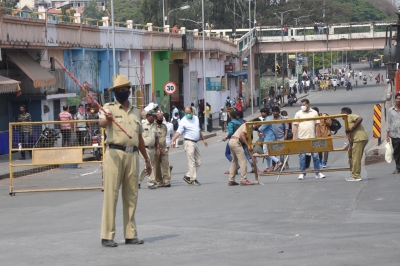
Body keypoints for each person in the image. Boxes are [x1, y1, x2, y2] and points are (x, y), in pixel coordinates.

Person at [99, 74, 151, 247]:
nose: (121, 92)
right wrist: (107, 119)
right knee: (111, 195)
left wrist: (147, 159)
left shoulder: (137, 111)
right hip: (114, 154)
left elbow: (140, 138)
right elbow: (101, 123)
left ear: (129, 91)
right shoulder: (109, 108)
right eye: (118, 90)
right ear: (114, 92)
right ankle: (107, 236)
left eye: (124, 90)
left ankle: (130, 234)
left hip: (133, 155)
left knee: (131, 195)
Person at [170, 106, 208, 186]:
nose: (188, 115)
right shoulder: (183, 121)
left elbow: (198, 130)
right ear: (184, 113)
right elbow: (178, 132)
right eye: (186, 113)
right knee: (192, 161)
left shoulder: (196, 118)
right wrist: (173, 140)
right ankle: (193, 179)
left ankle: (188, 176)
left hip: (195, 142)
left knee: (199, 161)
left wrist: (203, 139)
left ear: (192, 111)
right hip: (188, 142)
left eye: (189, 113)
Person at [293, 99, 325, 180]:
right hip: (302, 138)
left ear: (308, 104)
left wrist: (317, 136)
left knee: (315, 156)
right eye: (301, 105)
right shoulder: (298, 113)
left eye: (304, 104)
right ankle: (302, 173)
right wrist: (294, 137)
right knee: (302, 156)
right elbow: (296, 126)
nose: (302, 106)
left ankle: (317, 173)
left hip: (312, 137)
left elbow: (317, 125)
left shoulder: (314, 112)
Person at [228, 118, 261, 186]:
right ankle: (243, 179)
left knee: (234, 161)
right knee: (243, 161)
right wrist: (247, 145)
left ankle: (231, 180)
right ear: (256, 123)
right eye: (259, 125)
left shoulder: (250, 129)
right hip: (236, 141)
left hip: (232, 141)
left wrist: (251, 157)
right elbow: (242, 135)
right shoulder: (248, 125)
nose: (259, 127)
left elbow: (248, 146)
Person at [341, 107, 369, 181]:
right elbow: (351, 135)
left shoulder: (349, 116)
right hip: (358, 139)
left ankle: (356, 176)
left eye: (341, 113)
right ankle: (354, 175)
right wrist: (349, 144)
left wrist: (352, 128)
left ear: (345, 112)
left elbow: (360, 118)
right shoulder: (347, 121)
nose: (341, 115)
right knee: (354, 157)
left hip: (359, 139)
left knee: (356, 158)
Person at [139, 110, 160, 189]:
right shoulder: (142, 124)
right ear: (148, 116)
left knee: (148, 165)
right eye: (153, 116)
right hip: (143, 148)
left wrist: (157, 147)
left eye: (155, 117)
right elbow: (138, 136)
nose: (154, 118)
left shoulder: (154, 125)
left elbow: (157, 137)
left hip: (152, 148)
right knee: (149, 164)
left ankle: (138, 180)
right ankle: (150, 182)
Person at [258, 108, 282, 172]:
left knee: (266, 152)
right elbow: (265, 129)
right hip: (268, 137)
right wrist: (262, 133)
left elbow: (261, 128)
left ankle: (278, 161)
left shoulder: (267, 120)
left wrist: (256, 127)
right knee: (268, 154)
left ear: (266, 113)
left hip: (269, 138)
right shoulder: (266, 119)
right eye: (261, 112)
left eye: (263, 112)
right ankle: (267, 168)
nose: (261, 114)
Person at [154, 112, 171, 187]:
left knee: (165, 164)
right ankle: (159, 181)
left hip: (164, 149)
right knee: (156, 167)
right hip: (155, 149)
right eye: (159, 119)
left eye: (162, 118)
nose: (161, 120)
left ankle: (166, 180)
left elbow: (165, 136)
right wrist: (158, 148)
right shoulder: (153, 126)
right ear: (156, 119)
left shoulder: (164, 126)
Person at [386, 93, 400, 174]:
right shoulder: (391, 111)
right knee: (397, 152)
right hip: (395, 135)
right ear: (395, 100)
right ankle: (398, 168)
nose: (399, 100)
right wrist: (387, 135)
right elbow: (389, 123)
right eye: (397, 99)